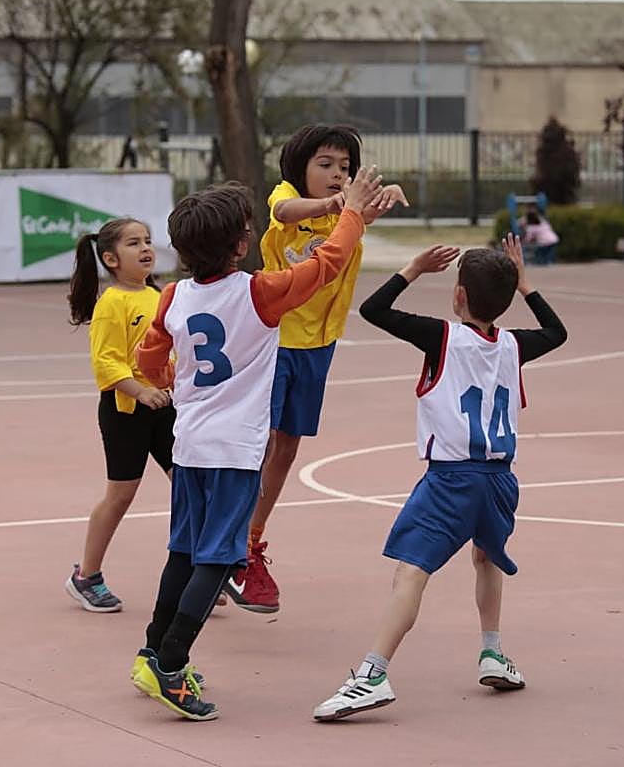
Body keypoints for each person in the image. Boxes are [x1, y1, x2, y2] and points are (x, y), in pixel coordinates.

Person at [130, 167, 384, 720]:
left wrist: (174, 377)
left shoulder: (172, 296)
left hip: (189, 445)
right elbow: (327, 263)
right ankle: (171, 664)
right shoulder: (259, 292)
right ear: (241, 245)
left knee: (182, 551)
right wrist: (353, 215)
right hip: (235, 450)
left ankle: (151, 651)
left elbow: (148, 361)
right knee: (219, 559)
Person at [312, 233, 568, 721]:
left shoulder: (442, 338)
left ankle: (372, 674)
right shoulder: (514, 345)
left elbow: (374, 310)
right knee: (486, 557)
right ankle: (492, 651)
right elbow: (557, 332)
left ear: (458, 295)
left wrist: (413, 268)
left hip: (452, 479)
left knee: (411, 571)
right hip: (500, 480)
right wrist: (525, 284)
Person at [226, 124, 402, 614]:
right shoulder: (287, 199)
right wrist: (334, 203)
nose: (337, 173)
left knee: (286, 448)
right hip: (274, 339)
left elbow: (359, 218)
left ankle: (250, 540)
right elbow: (284, 212)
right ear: (299, 167)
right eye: (325, 164)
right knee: (257, 445)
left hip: (318, 344)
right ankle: (229, 548)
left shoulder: (346, 214)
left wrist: (379, 200)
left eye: (345, 167)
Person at [63, 218, 175, 613]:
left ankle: (196, 573)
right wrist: (140, 391)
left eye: (147, 240)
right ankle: (86, 575)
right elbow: (107, 363)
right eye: (133, 243)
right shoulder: (112, 303)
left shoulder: (159, 295)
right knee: (121, 495)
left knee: (190, 487)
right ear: (111, 258)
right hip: (126, 411)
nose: (145, 248)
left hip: (165, 406)